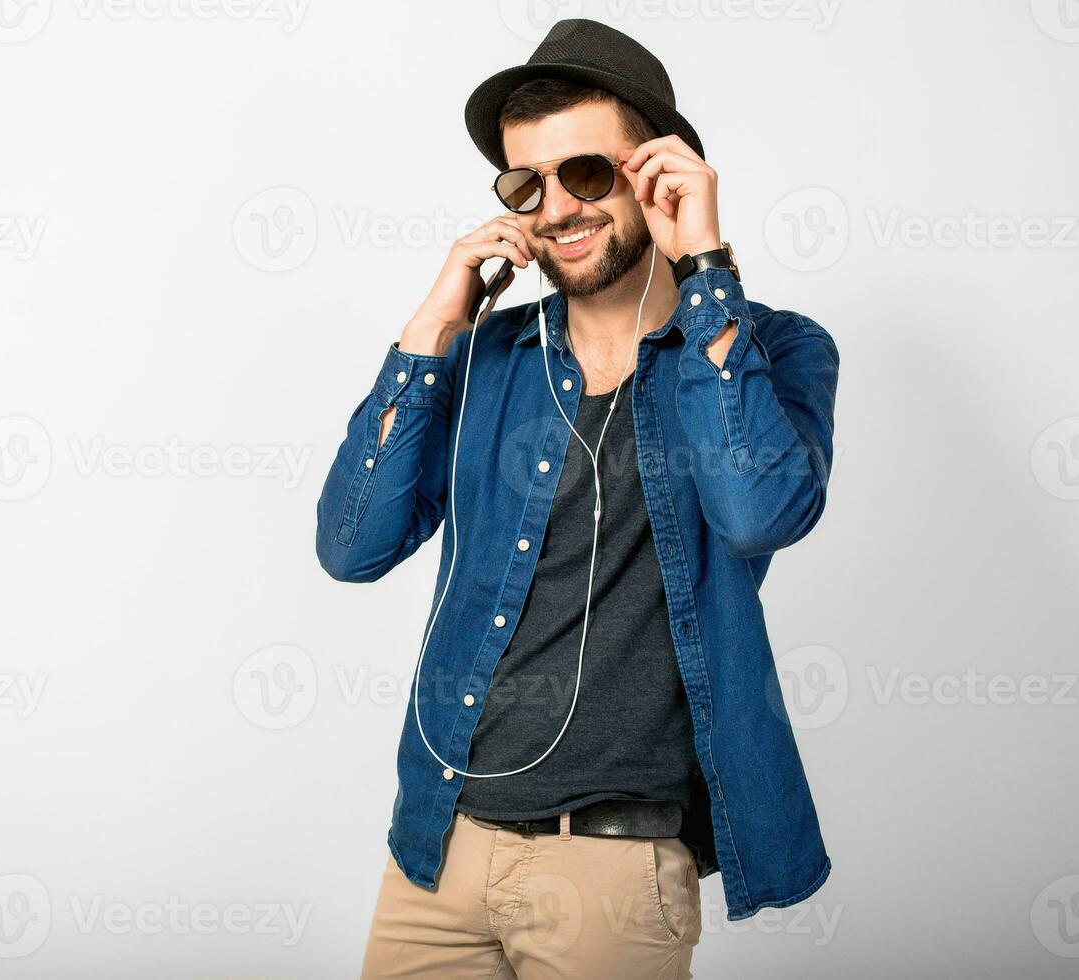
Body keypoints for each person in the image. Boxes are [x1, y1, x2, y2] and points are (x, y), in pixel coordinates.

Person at [314, 19, 840, 979]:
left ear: (658, 172)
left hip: (612, 869)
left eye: (587, 174)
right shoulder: (482, 359)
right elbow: (353, 545)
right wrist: (435, 320)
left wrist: (705, 272)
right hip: (437, 852)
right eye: (528, 185)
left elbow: (762, 511)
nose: (557, 207)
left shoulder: (773, 350)